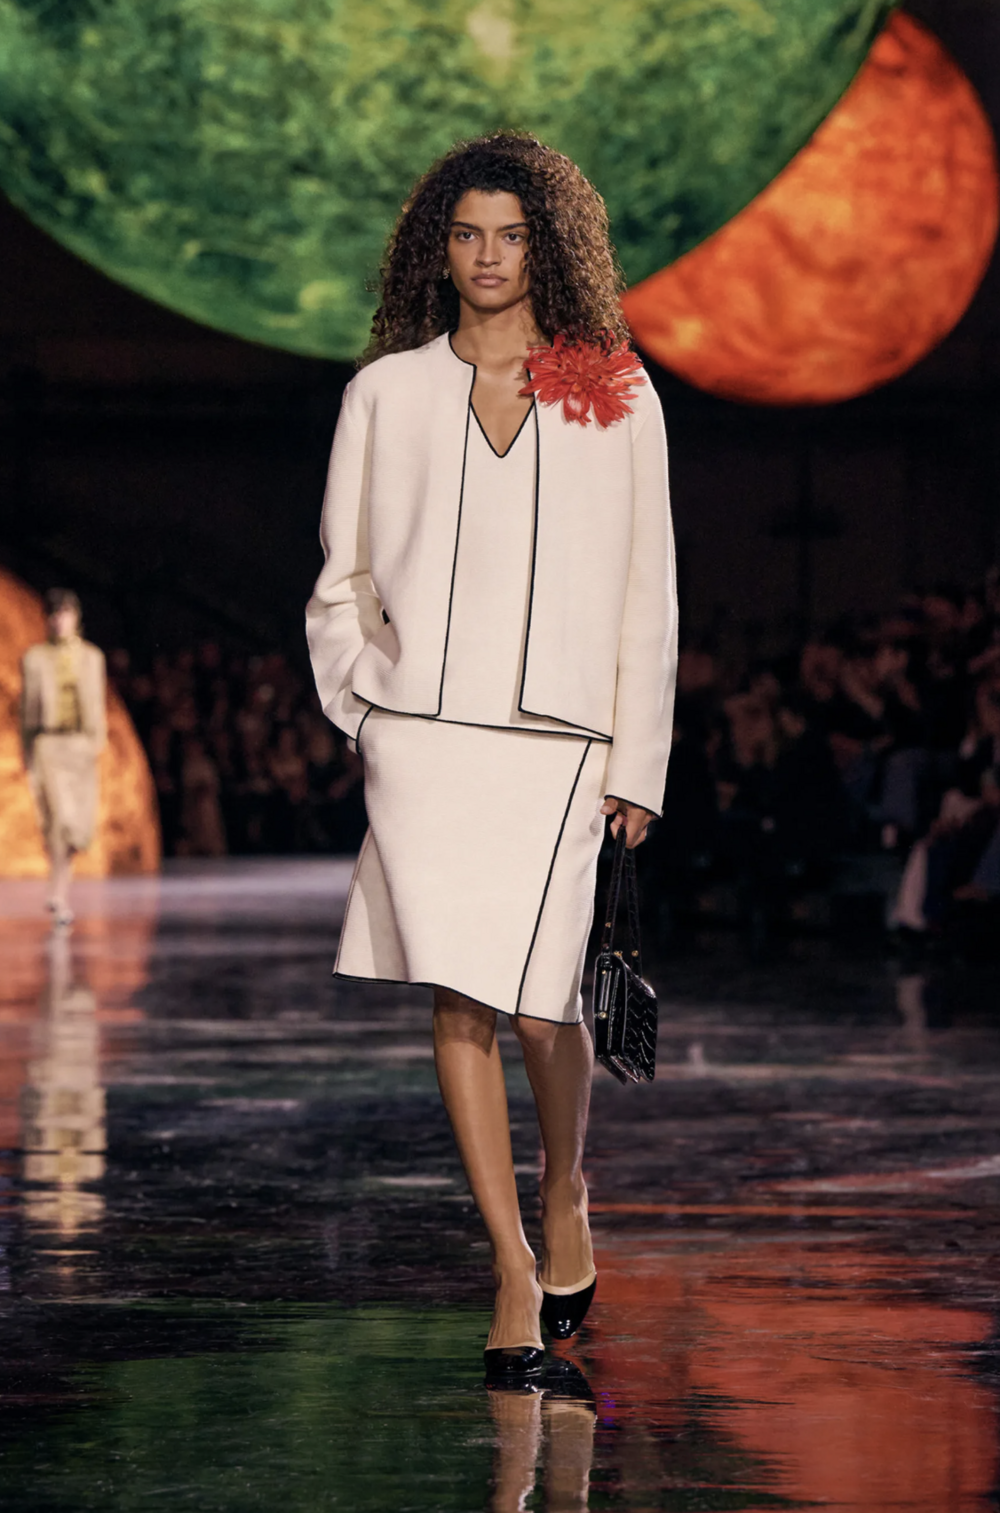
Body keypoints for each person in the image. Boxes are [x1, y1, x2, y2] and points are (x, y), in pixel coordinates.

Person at [306, 132, 677, 1377]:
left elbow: (648, 586)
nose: (486, 257)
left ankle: (564, 1185)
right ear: (436, 248)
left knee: (539, 999)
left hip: (560, 741)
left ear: (546, 247)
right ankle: (512, 1264)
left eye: (510, 236)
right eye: (466, 234)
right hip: (422, 739)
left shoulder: (612, 391)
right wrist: (365, 710)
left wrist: (638, 757)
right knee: (459, 994)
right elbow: (344, 577)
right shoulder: (386, 395)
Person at [20, 588, 107, 927]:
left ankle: (59, 891)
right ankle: (58, 893)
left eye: (66, 613)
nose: (60, 620)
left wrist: (96, 744)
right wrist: (28, 751)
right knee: (59, 820)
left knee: (78, 828)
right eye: (55, 614)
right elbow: (26, 710)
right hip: (48, 744)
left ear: (76, 617)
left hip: (81, 745)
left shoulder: (92, 657)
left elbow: (97, 704)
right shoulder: (35, 658)